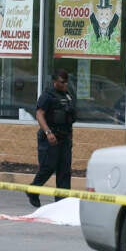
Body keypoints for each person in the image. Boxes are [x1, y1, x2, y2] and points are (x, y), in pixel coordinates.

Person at [28, 69, 76, 208]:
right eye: (62, 82)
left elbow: (69, 117)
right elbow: (39, 114)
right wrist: (48, 132)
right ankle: (33, 190)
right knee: (48, 167)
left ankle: (62, 203)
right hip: (50, 138)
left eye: (67, 81)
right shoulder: (47, 95)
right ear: (55, 82)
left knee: (64, 170)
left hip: (64, 138)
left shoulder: (67, 95)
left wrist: (70, 136)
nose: (65, 84)